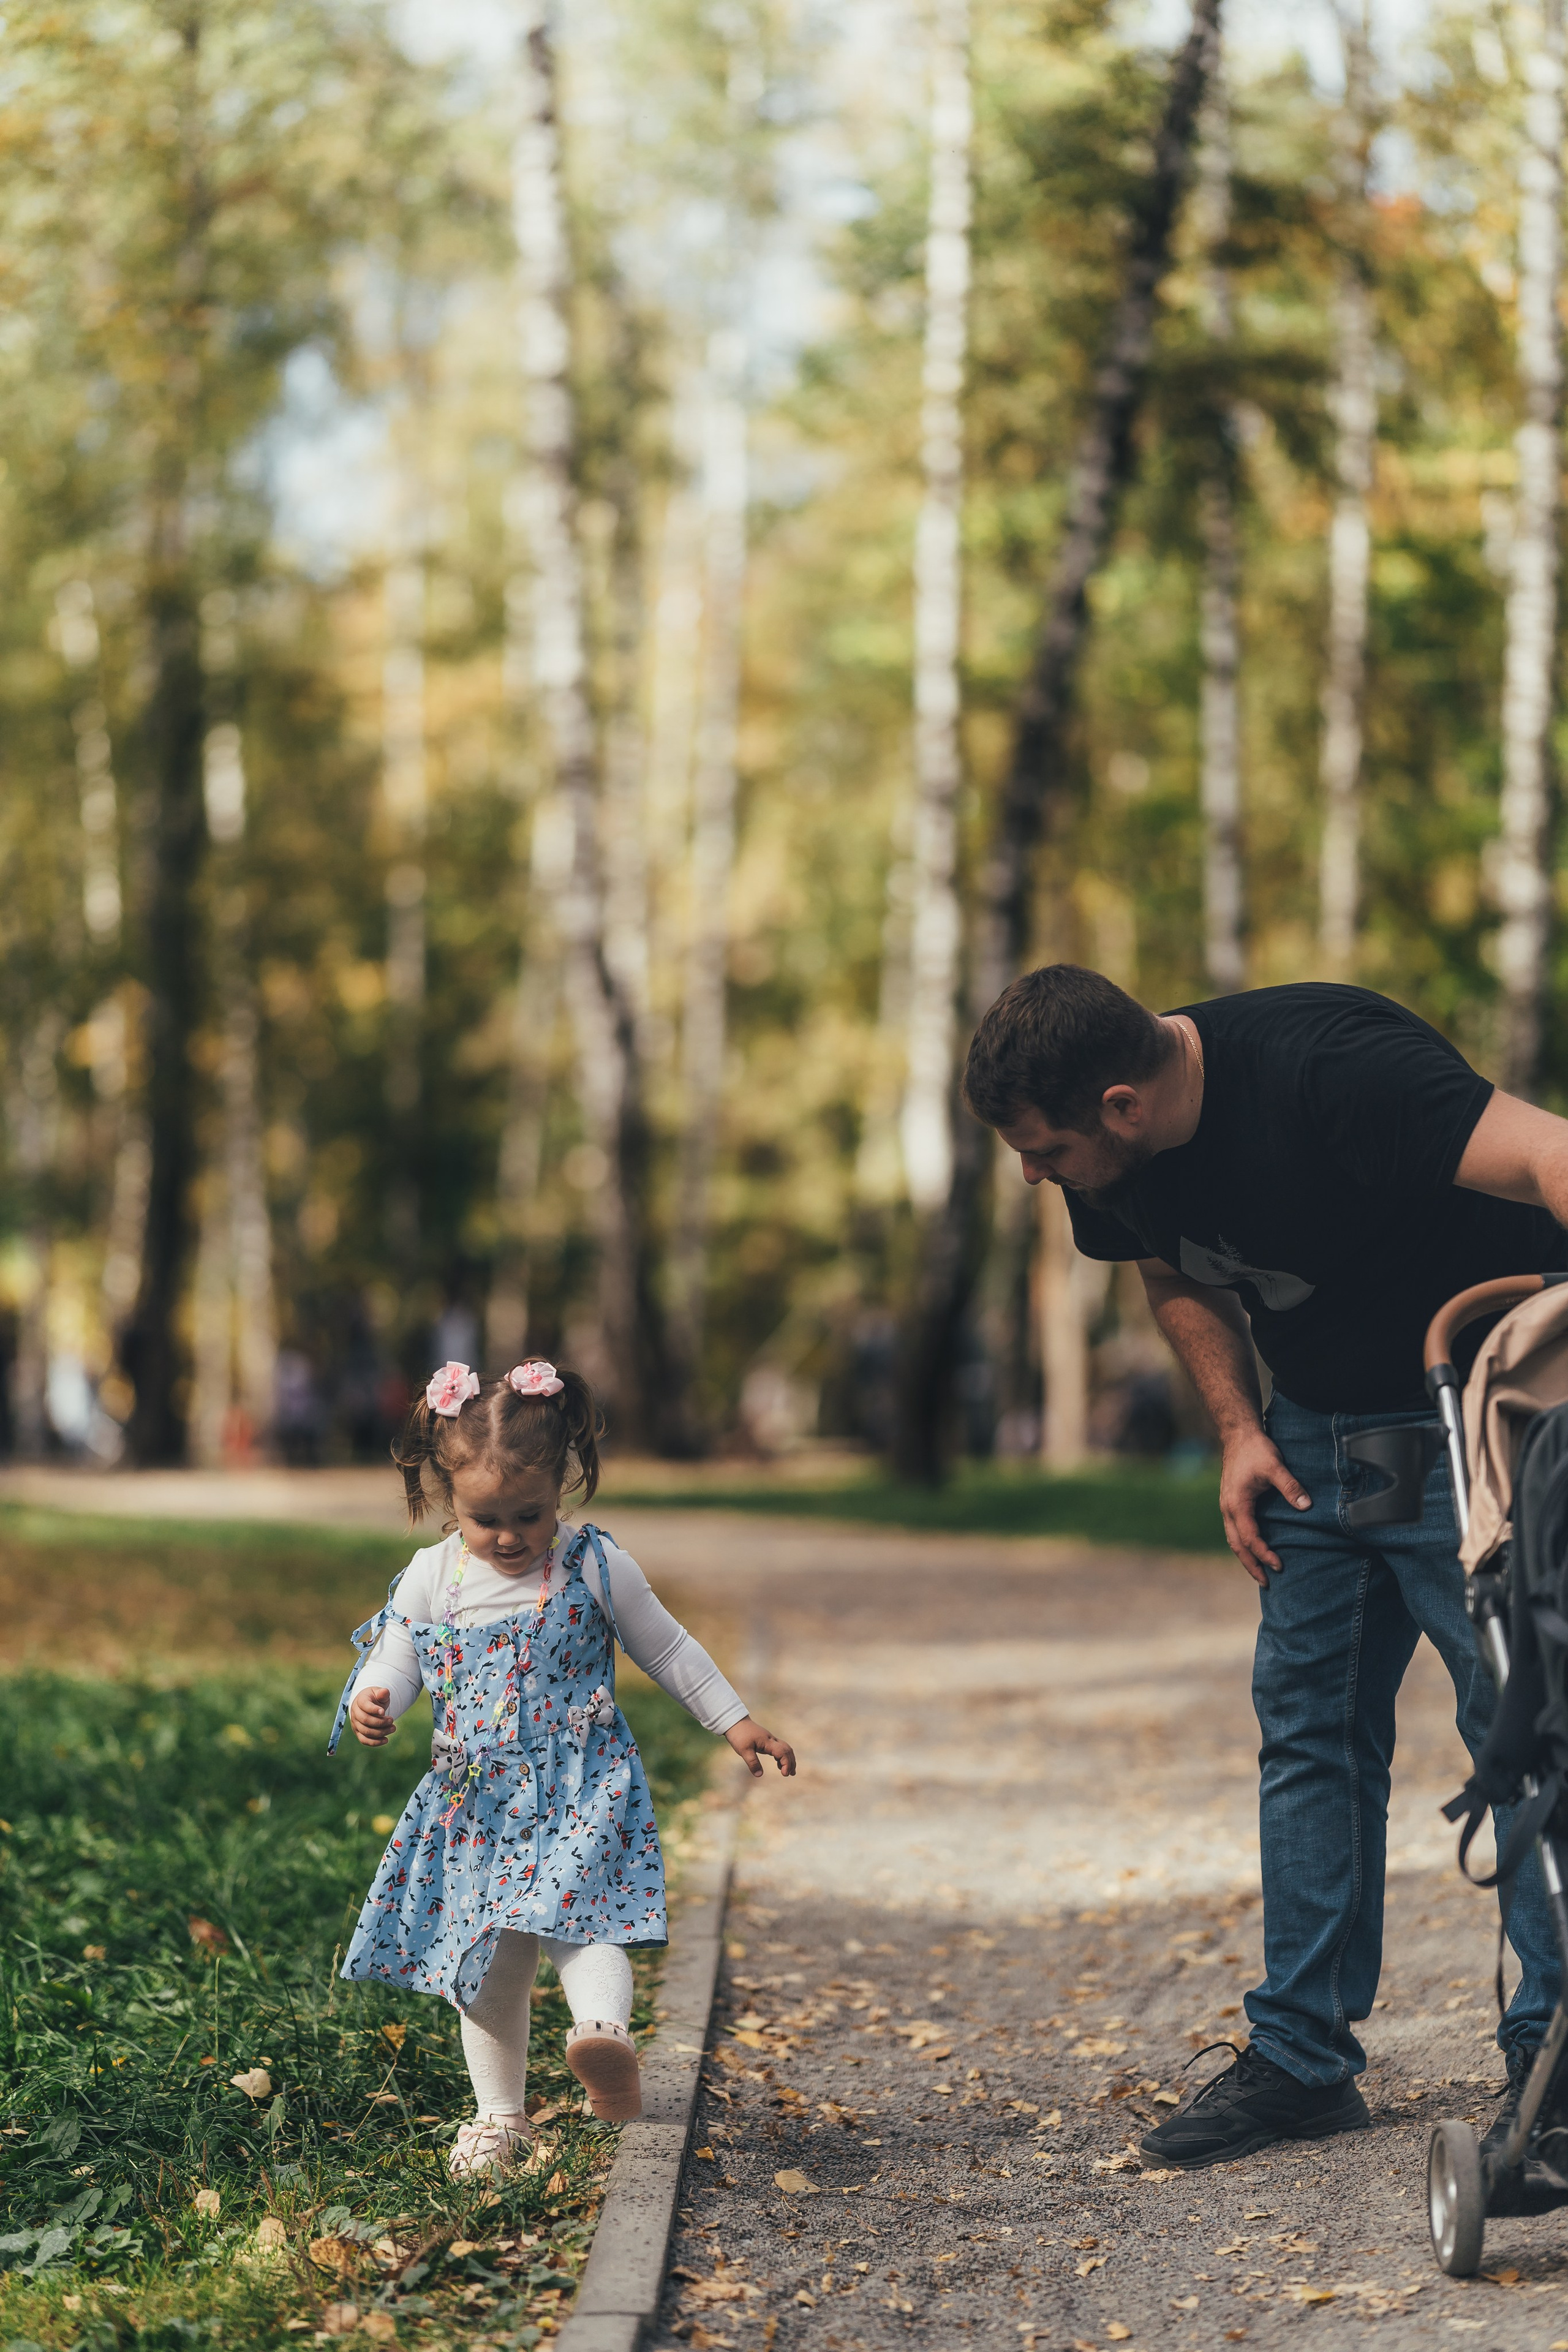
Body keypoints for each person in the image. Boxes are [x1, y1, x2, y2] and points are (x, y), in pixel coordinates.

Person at [963, 967, 1568, 2169]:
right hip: (1310, 1429)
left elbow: (1552, 1153)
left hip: (1464, 1408)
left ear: (1122, 1103)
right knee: (1306, 1725)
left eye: (1043, 1151)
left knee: (1519, 1725)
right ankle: (1300, 2062)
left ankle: (1548, 2060)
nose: (1031, 1175)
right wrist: (1238, 1426)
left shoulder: (1330, 1067)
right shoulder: (1120, 1163)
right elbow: (1167, 1266)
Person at [330, 1355, 796, 2179]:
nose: (509, 1536)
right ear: (447, 1501)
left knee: (585, 1920)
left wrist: (735, 1720)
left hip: (584, 1781)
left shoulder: (594, 1565)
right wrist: (377, 1698)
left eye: (529, 1514)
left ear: (565, 1488)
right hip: (476, 1799)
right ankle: (498, 2119)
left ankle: (603, 2039)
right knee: (489, 1960)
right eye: (486, 1519)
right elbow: (400, 1656)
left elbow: (668, 1648)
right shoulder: (436, 1574)